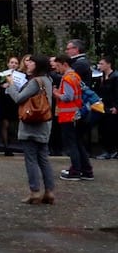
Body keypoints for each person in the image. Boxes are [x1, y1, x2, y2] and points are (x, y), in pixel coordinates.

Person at [8, 55, 56, 205]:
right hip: (44, 123)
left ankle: (35, 191)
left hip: (31, 125)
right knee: (43, 159)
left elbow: (18, 98)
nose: (28, 64)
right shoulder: (48, 80)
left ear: (38, 65)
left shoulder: (35, 81)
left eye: (31, 62)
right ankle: (49, 191)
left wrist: (11, 85)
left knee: (31, 159)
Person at [53, 53, 93, 181]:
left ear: (65, 64)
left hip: (69, 115)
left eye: (58, 66)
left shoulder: (67, 78)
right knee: (78, 143)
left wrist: (56, 93)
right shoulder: (75, 76)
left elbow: (67, 97)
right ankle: (86, 169)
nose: (57, 69)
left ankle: (76, 170)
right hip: (76, 114)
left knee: (72, 144)